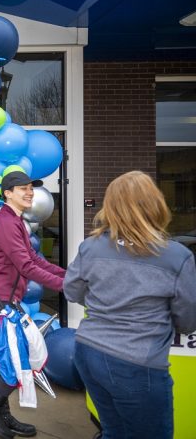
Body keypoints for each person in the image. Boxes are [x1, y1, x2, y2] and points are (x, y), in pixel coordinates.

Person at [64, 171, 196, 439]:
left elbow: (71, 290)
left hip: (88, 352)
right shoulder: (176, 256)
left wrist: (107, 302)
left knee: (113, 430)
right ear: (155, 203)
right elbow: (187, 320)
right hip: (137, 364)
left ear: (110, 206)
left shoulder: (91, 247)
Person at [0, 171, 66, 439]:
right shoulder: (5, 222)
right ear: (7, 193)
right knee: (15, 360)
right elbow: (25, 265)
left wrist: (66, 275)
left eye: (31, 188)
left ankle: (0, 412)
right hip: (1, 300)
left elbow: (34, 260)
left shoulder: (14, 221)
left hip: (8, 299)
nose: (29, 192)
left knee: (9, 360)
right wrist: (64, 285)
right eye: (23, 188)